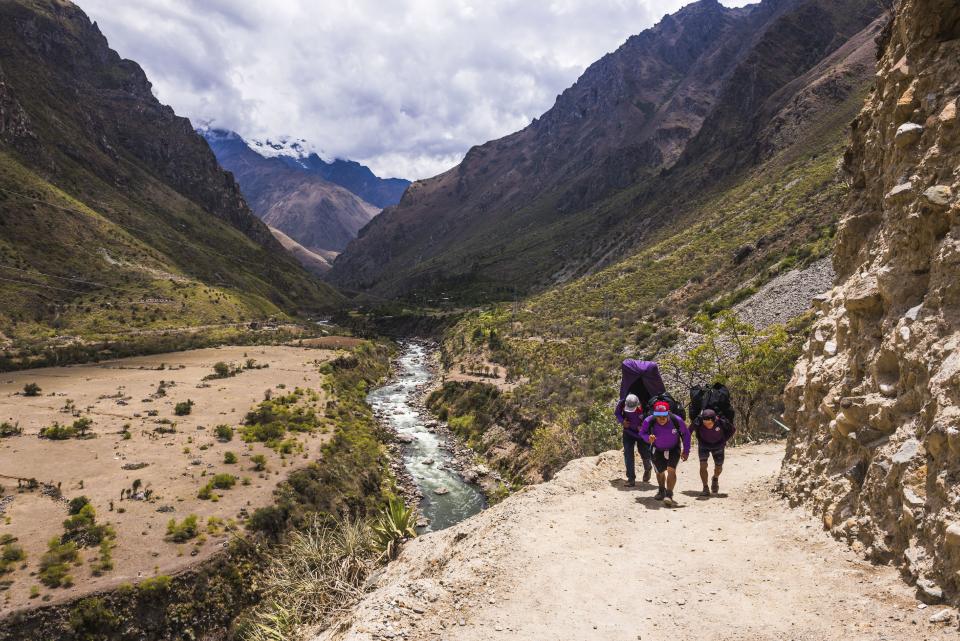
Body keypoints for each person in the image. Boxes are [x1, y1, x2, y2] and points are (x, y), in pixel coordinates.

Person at [639, 400, 691, 507]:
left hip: (674, 448)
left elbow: (686, 435)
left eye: (664, 416)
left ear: (668, 413)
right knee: (660, 472)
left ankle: (669, 494)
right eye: (658, 416)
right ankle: (661, 490)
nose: (661, 419)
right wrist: (648, 438)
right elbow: (642, 433)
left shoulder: (677, 420)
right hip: (657, 449)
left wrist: (686, 451)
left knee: (671, 470)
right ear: (655, 415)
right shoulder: (649, 421)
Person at [693, 408, 735, 497]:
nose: (707, 425)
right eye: (705, 423)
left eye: (709, 424)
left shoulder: (721, 422)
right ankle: (705, 488)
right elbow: (689, 431)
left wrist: (724, 440)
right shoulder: (699, 422)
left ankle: (715, 478)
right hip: (703, 445)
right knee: (703, 465)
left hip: (718, 446)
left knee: (718, 467)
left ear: (714, 420)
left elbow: (732, 429)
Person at [614, 393, 652, 486]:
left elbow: (652, 418)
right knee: (628, 453)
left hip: (641, 434)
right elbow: (617, 413)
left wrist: (644, 426)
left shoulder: (645, 407)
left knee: (644, 452)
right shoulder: (622, 403)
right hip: (628, 432)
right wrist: (622, 421)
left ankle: (648, 469)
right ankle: (631, 479)